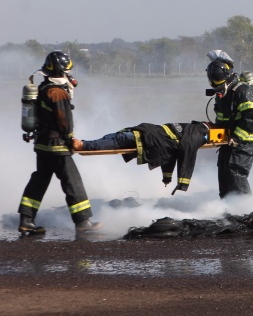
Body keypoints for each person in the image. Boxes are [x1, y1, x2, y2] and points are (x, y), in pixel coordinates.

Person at [18, 51, 102, 234]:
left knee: (39, 180)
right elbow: (65, 121)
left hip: (42, 144)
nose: (69, 75)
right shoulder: (58, 93)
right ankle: (82, 221)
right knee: (72, 181)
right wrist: (70, 139)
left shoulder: (43, 87)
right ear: (61, 71)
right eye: (67, 71)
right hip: (57, 145)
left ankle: (26, 220)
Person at [72, 121, 211, 195]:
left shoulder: (190, 127)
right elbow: (188, 153)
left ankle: (83, 143)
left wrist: (167, 177)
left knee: (117, 137)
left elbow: (173, 153)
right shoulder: (198, 133)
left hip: (145, 131)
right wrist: (183, 183)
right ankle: (83, 145)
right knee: (118, 140)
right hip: (147, 137)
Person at [206, 50, 253, 198]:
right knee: (224, 170)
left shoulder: (243, 91)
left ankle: (245, 209)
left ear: (226, 75)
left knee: (235, 172)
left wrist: (237, 138)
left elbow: (251, 117)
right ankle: (228, 207)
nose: (217, 89)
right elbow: (223, 116)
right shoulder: (224, 93)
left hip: (244, 140)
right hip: (228, 140)